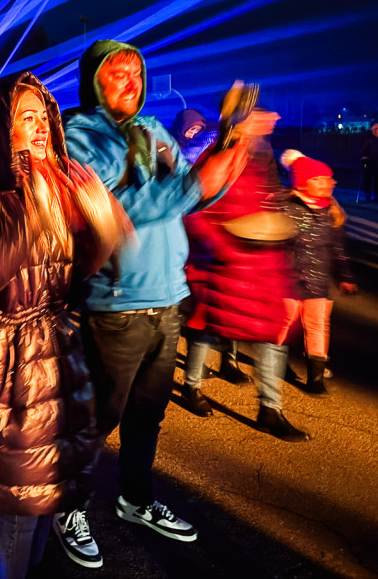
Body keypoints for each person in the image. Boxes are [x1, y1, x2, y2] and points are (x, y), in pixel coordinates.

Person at [61, 40, 245, 547]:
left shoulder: (153, 131)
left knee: (148, 413)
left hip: (167, 297)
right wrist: (195, 185)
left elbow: (188, 190)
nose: (131, 82)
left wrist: (229, 145)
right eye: (117, 73)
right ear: (93, 80)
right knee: (98, 416)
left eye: (136, 74)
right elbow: (111, 209)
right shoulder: (79, 138)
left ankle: (135, 499)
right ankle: (67, 504)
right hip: (115, 303)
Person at [0, 72, 125, 576]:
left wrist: (103, 230)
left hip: (58, 350)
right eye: (26, 118)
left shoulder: (58, 180)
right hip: (6, 359)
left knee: (48, 490)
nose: (40, 127)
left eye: (44, 116)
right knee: (21, 501)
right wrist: (31, 218)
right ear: (2, 129)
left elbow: (71, 270)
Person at [181, 109, 308, 440]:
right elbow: (193, 211)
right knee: (207, 325)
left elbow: (266, 204)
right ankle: (191, 386)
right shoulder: (216, 157)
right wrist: (223, 247)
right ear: (236, 123)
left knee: (271, 332)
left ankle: (270, 407)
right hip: (223, 264)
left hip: (262, 264)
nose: (270, 122)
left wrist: (280, 224)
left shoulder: (259, 159)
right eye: (258, 118)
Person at [170, 109, 247, 385]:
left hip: (231, 242)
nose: (195, 133)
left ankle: (229, 361)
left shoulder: (231, 152)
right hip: (195, 237)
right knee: (197, 309)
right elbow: (193, 194)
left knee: (233, 307)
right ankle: (192, 376)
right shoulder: (174, 147)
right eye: (192, 129)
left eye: (199, 128)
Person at [281, 150, 357, 394]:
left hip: (318, 282)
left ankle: (315, 379)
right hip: (288, 281)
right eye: (320, 179)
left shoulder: (332, 212)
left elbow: (338, 249)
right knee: (282, 323)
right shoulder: (286, 207)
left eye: (329, 179)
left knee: (317, 326)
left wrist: (345, 277)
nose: (329, 183)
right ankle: (275, 363)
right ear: (303, 182)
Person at [357, 121, 378, 202]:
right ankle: (368, 196)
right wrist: (364, 159)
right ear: (373, 130)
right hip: (369, 162)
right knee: (368, 180)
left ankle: (376, 196)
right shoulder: (367, 138)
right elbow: (361, 150)